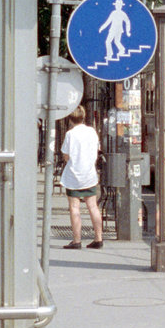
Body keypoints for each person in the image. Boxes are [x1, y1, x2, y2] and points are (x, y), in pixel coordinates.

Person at [59, 105, 104, 250]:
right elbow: (96, 149)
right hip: (89, 174)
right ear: (83, 116)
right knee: (93, 206)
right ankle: (98, 238)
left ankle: (76, 240)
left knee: (74, 207)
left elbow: (66, 155)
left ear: (70, 119)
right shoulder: (92, 132)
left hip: (73, 175)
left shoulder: (70, 134)